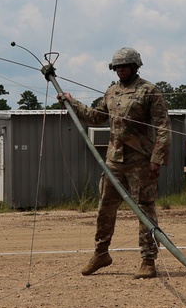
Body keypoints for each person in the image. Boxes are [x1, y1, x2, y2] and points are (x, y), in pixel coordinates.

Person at [58, 47, 171, 279]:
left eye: (124, 66)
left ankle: (148, 260)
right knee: (105, 208)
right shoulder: (111, 92)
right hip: (114, 161)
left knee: (145, 210)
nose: (120, 70)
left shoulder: (149, 90)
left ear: (134, 67)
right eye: (117, 67)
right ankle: (101, 253)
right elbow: (95, 117)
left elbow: (163, 126)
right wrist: (71, 102)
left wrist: (157, 159)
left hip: (141, 160)